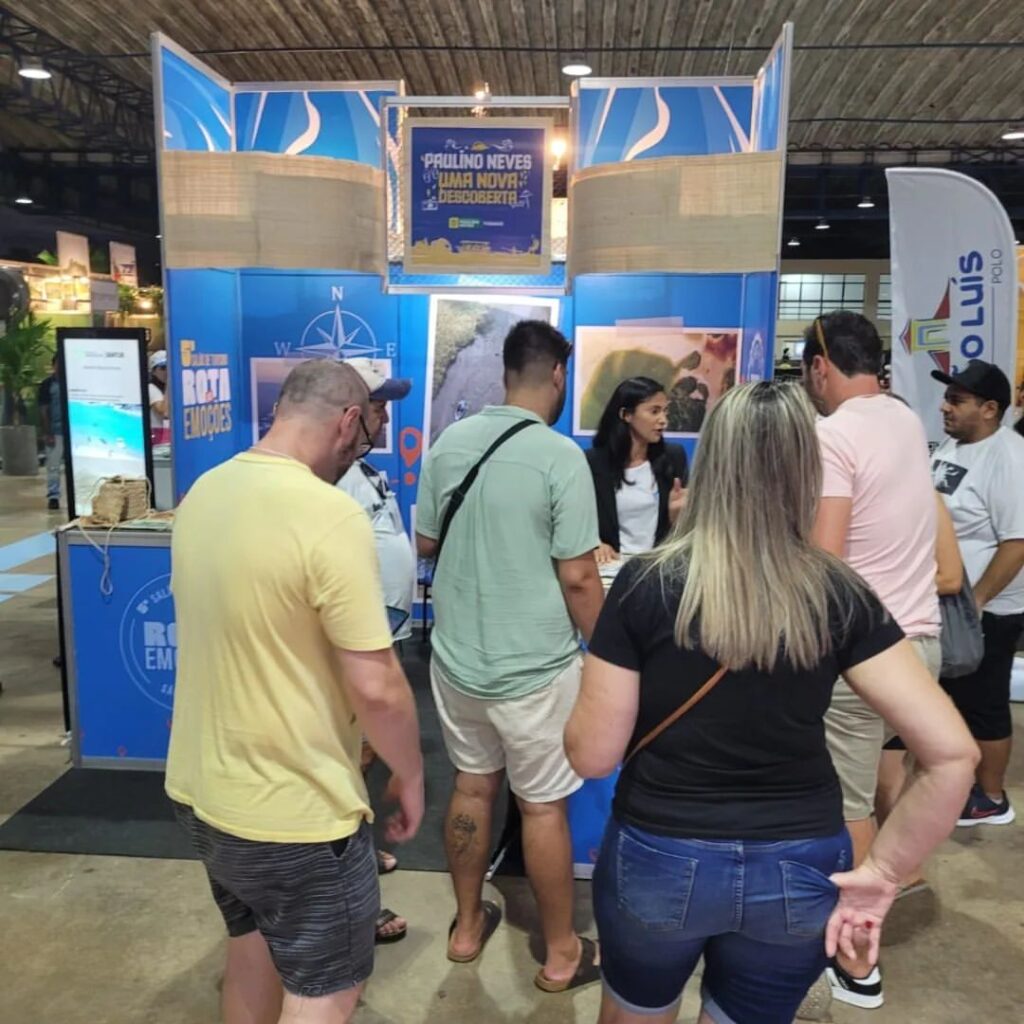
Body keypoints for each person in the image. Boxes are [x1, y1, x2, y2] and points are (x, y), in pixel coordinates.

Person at [565, 381, 978, 1024]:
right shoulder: (837, 592)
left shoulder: (647, 584)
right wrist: (883, 872)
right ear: (806, 468)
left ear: (712, 462)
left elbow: (592, 756)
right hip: (799, 863)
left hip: (662, 850)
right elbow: (953, 755)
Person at [166, 360, 424, 1024]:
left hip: (206, 795)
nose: (360, 448)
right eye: (364, 433)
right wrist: (411, 773)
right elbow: (377, 685)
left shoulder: (205, 493)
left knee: (251, 953)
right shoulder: (329, 514)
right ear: (347, 421)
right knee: (327, 992)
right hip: (295, 813)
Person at [415, 320, 604, 991]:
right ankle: (560, 954)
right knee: (543, 808)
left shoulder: (449, 443)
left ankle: (467, 928)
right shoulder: (560, 457)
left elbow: (426, 543)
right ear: (557, 374)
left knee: (472, 786)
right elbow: (579, 577)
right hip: (535, 669)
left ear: (505, 372)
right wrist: (609, 653)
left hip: (457, 659)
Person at [801, 311, 943, 1007]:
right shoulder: (906, 421)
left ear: (819, 368)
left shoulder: (832, 433)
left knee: (849, 807)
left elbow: (826, 561)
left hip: (863, 656)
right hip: (923, 647)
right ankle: (892, 880)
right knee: (897, 779)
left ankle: (857, 960)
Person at [337, 357, 415, 944]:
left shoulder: (358, 468)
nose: (386, 417)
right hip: (358, 636)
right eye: (378, 406)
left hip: (379, 627)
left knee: (361, 755)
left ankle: (359, 855)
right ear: (350, 414)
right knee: (350, 760)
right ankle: (354, 895)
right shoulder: (329, 477)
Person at [931, 359, 1024, 826]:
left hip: (986, 610)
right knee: (953, 698)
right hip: (949, 603)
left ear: (990, 409)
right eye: (947, 397)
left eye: (957, 400)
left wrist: (977, 601)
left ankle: (991, 797)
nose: (945, 407)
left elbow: (1018, 542)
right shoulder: (955, 444)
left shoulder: (1009, 457)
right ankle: (958, 784)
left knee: (984, 702)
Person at [586, 376, 688, 565]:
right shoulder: (593, 462)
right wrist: (595, 543)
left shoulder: (674, 457)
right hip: (612, 566)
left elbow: (683, 532)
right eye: (654, 411)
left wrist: (679, 517)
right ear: (626, 414)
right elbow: (578, 519)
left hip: (657, 566)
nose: (663, 421)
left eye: (665, 411)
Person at [37, 355, 63, 511]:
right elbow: (43, 410)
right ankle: (53, 496)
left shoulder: (72, 382)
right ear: (53, 365)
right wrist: (47, 432)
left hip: (72, 431)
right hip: (55, 431)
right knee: (53, 466)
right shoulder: (47, 384)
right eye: (58, 363)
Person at [149, 350, 170, 444]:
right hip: (156, 435)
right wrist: (169, 382)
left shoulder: (165, 389)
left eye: (169, 367)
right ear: (153, 371)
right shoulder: (151, 388)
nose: (167, 371)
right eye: (163, 368)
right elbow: (164, 411)